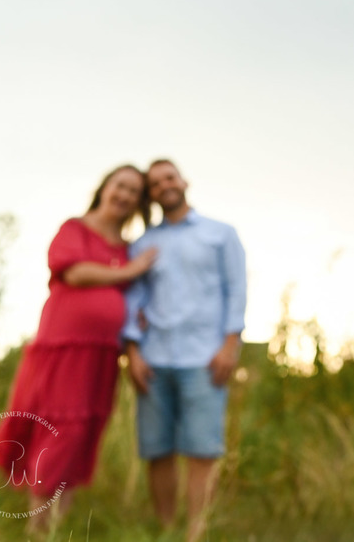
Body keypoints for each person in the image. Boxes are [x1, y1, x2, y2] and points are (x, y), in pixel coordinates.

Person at [0, 164, 155, 531]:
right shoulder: (75, 229)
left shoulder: (128, 247)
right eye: (120, 186)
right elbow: (75, 272)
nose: (125, 195)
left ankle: (54, 527)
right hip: (65, 347)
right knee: (58, 427)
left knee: (81, 433)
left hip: (104, 353)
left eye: (134, 192)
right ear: (105, 187)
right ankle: (37, 528)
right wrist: (130, 272)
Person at [122, 159, 247, 542]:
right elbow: (133, 301)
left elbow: (236, 291)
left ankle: (196, 531)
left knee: (202, 448)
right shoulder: (143, 244)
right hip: (154, 359)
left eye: (169, 178)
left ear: (183, 181)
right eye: (155, 184)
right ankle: (165, 529)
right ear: (151, 195)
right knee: (156, 448)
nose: (164, 186)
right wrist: (133, 353)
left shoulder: (220, 234)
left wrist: (230, 345)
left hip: (205, 358)